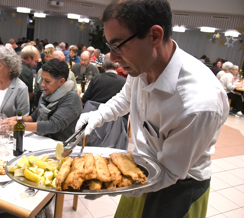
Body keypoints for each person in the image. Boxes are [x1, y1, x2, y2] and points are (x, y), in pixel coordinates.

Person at [76, 0, 229, 217]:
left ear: (155, 36)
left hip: (179, 188)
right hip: (141, 170)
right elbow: (126, 98)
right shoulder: (141, 66)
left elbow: (169, 172)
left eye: (118, 46)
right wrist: (97, 116)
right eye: (110, 47)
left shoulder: (198, 104)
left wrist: (111, 183)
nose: (113, 58)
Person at [9, 59, 82, 141]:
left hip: (62, 146)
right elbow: (34, 117)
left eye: (47, 81)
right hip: (43, 141)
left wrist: (19, 126)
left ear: (61, 81)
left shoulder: (72, 98)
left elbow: (53, 125)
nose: (42, 84)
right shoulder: (47, 94)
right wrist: (18, 119)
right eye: (42, 79)